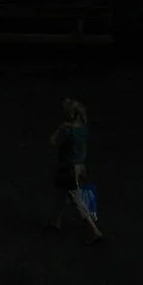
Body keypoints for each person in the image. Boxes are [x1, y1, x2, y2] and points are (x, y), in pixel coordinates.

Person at [49, 98, 103, 241]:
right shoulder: (83, 128)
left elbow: (53, 141)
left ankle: (94, 231)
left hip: (68, 168)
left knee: (76, 199)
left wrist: (60, 129)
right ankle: (56, 222)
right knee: (63, 194)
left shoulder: (68, 131)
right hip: (80, 166)